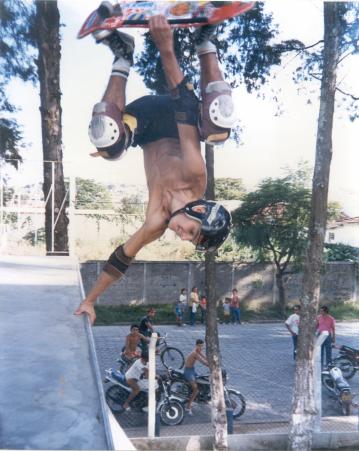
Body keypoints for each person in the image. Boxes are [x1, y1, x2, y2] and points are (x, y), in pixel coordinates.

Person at [75, 9, 234, 325]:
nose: (183, 237)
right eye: (191, 232)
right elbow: (187, 108)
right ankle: (206, 42)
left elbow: (122, 259)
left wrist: (90, 301)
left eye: (189, 240)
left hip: (145, 123)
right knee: (219, 126)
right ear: (199, 212)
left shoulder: (156, 221)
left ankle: (123, 55)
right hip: (176, 116)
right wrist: (166, 48)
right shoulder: (195, 175)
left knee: (107, 140)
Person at [183, 339, 209, 414]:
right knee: (196, 389)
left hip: (192, 370)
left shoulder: (198, 351)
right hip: (188, 372)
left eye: (202, 346)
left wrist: (211, 361)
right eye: (200, 346)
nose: (201, 347)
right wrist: (210, 365)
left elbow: (205, 358)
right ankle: (188, 406)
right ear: (196, 345)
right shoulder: (194, 353)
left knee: (202, 381)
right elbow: (203, 362)